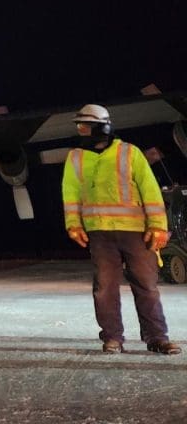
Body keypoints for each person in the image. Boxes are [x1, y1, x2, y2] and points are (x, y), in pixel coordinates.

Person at [62, 104, 181, 355]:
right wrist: (73, 224)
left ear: (101, 128)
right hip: (100, 233)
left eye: (84, 126)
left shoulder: (129, 153)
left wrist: (158, 226)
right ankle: (112, 338)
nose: (80, 130)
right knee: (105, 288)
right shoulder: (76, 157)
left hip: (136, 232)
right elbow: (71, 194)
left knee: (146, 286)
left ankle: (157, 338)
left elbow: (150, 190)